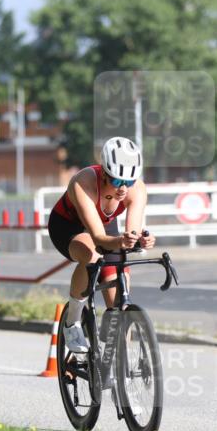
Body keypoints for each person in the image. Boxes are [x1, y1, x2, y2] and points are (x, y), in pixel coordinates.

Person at [47, 136, 156, 352]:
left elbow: (130, 232)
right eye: (117, 181)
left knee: (120, 304)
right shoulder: (83, 182)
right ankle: (72, 321)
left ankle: (120, 364)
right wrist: (120, 241)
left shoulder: (137, 189)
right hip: (69, 226)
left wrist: (140, 239)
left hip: (106, 228)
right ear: (104, 172)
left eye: (130, 182)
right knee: (92, 257)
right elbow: (97, 238)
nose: (123, 188)